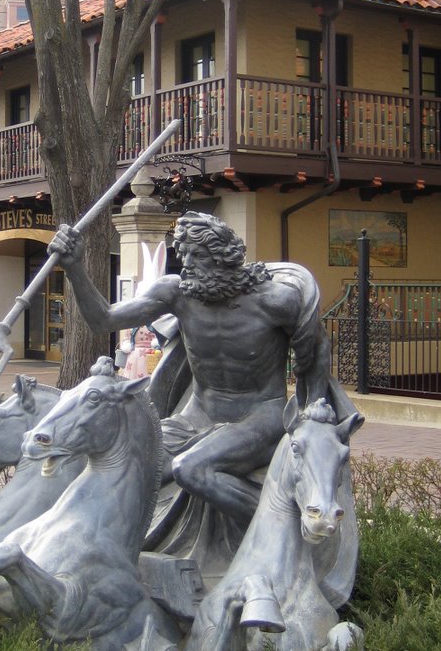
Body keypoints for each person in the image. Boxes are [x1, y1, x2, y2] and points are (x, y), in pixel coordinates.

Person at [49, 211, 335, 521]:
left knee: (190, 468)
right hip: (196, 415)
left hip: (260, 416)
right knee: (124, 459)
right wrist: (75, 268)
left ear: (224, 256)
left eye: (197, 255)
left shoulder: (275, 300)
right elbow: (103, 319)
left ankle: (281, 525)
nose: (187, 265)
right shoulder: (177, 293)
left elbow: (318, 349)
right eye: (182, 254)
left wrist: (313, 411)